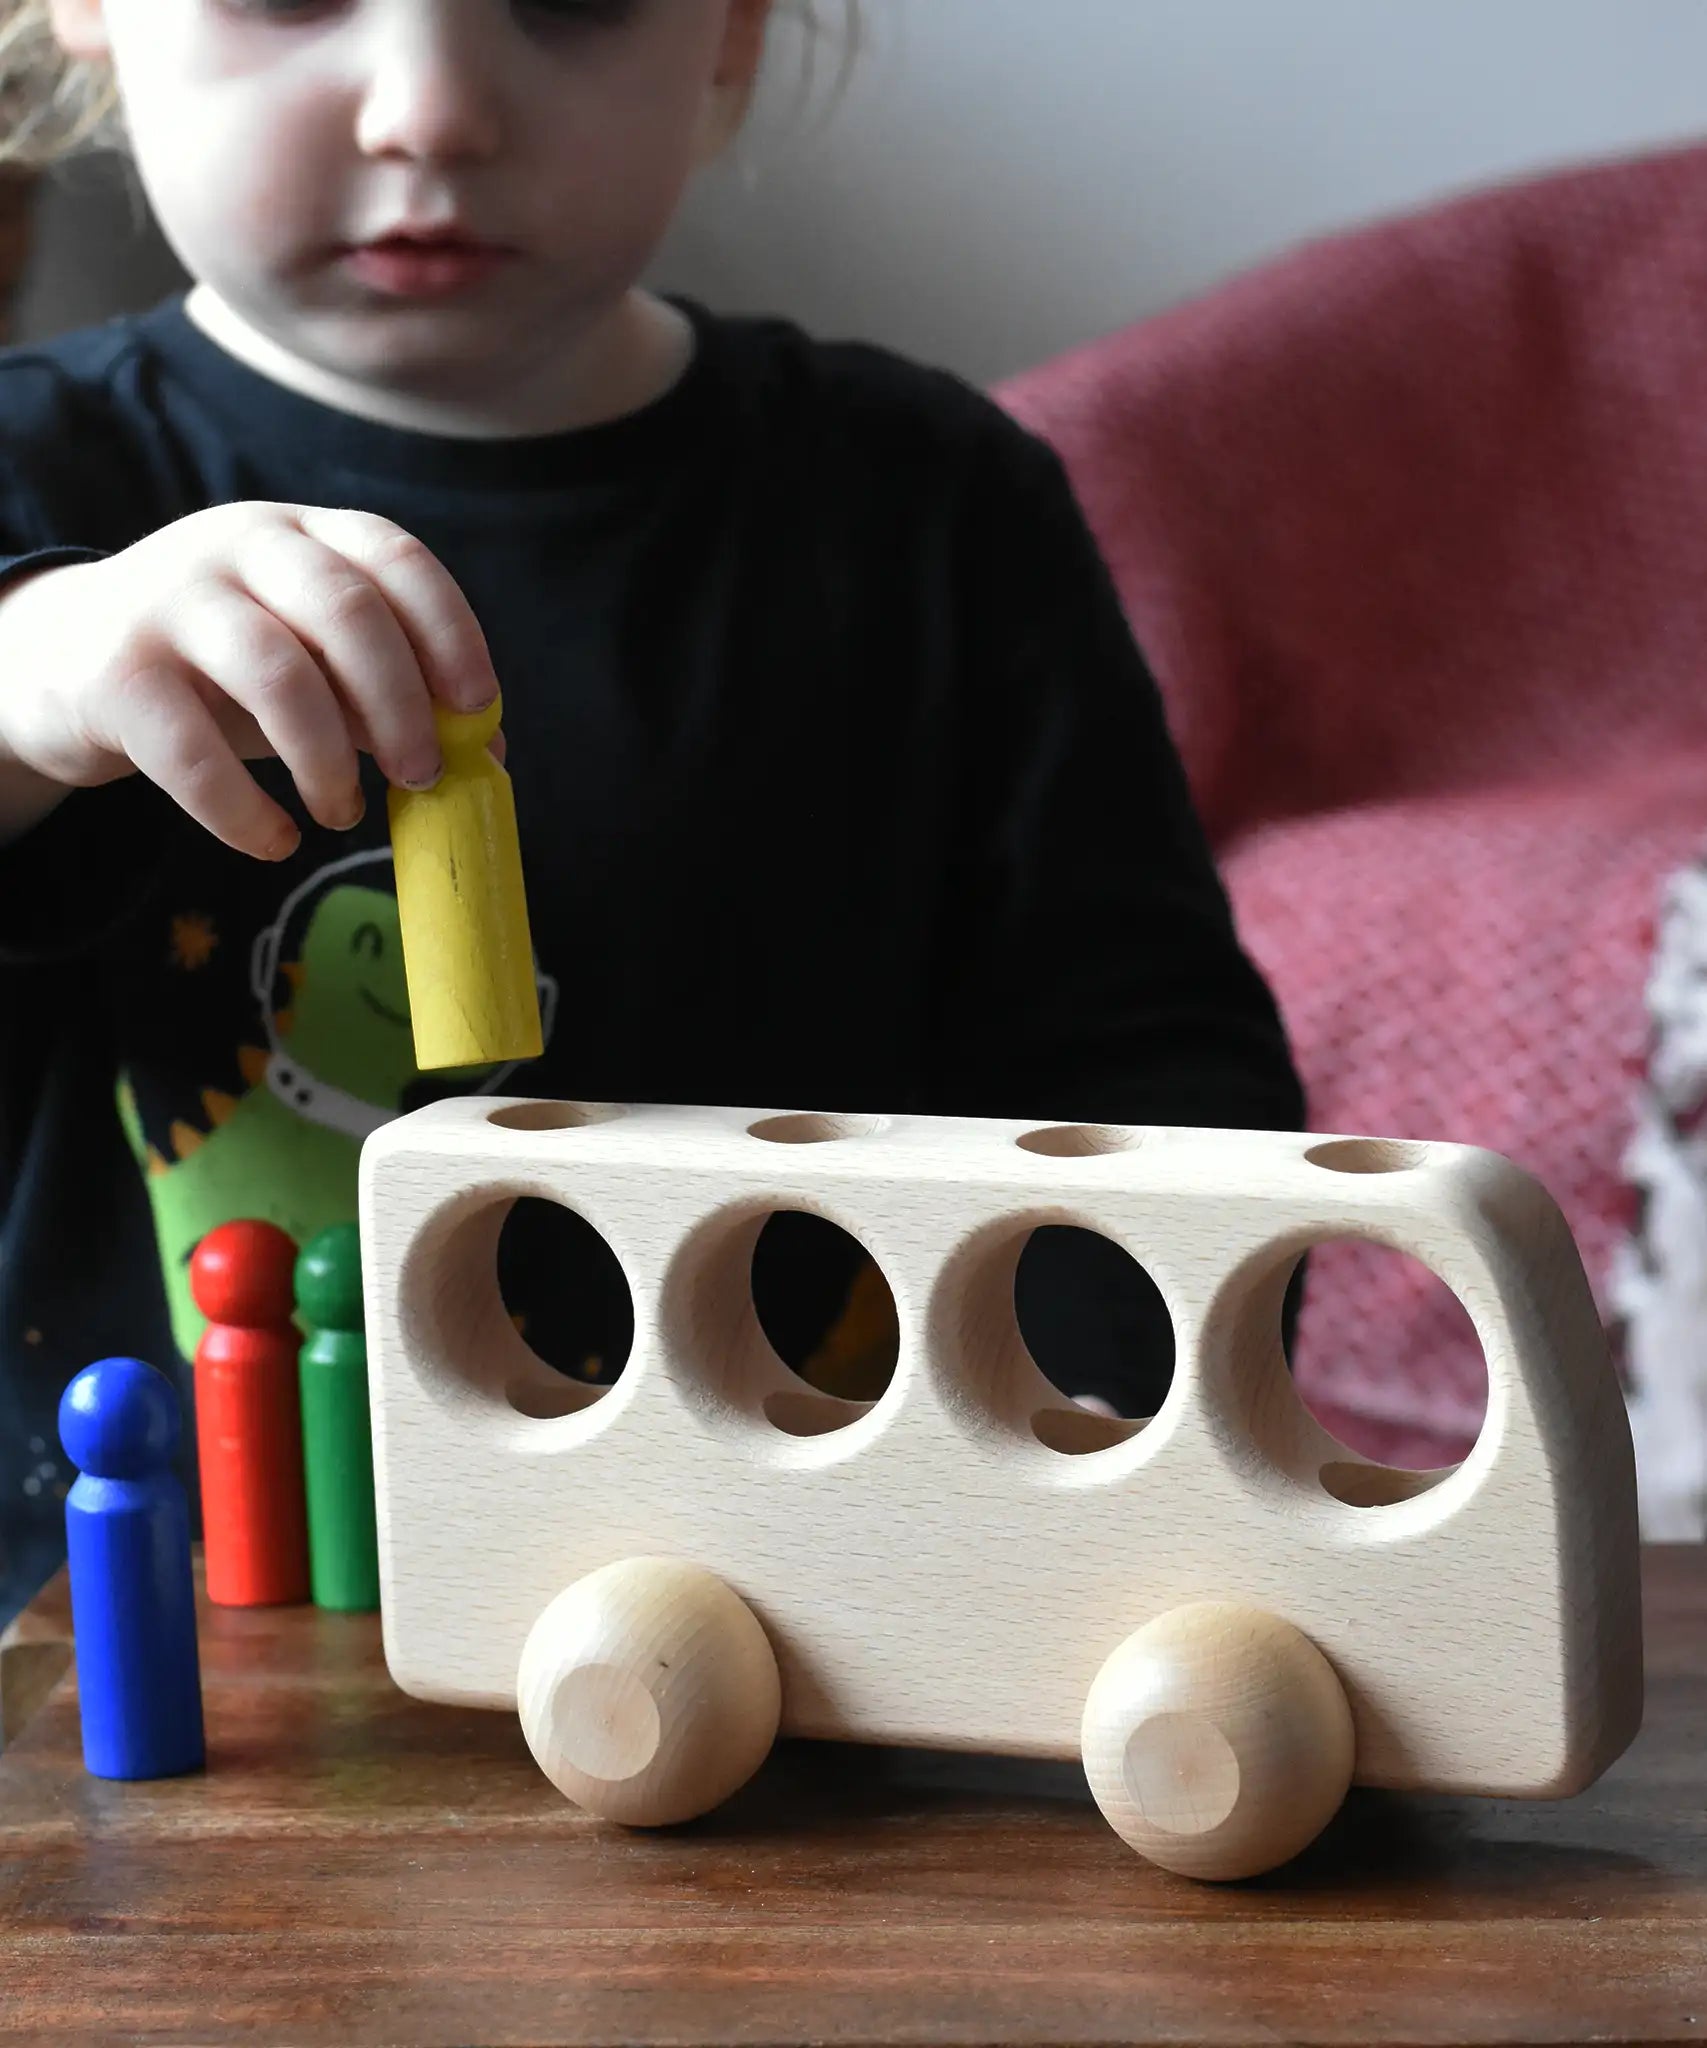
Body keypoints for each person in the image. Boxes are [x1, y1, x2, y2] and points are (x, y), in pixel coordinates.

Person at [0, 0, 1305, 1625]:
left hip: (823, 1618)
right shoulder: (34, 482)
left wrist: (1120, 1441)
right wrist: (29, 680)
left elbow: (1142, 1063)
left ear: (733, 31)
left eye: (566, 3)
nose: (429, 113)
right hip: (165, 1651)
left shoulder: (932, 508)